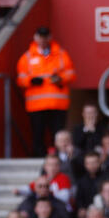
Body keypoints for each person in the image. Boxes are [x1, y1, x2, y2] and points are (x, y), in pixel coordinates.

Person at [16, 26, 76, 156]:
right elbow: (20, 78)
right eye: (40, 36)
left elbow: (71, 74)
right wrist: (30, 81)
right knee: (38, 133)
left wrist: (60, 79)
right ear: (35, 38)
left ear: (50, 37)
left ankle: (61, 157)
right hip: (36, 105)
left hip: (57, 103)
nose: (43, 39)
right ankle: (39, 157)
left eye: (45, 36)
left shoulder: (61, 54)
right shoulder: (27, 57)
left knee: (58, 134)